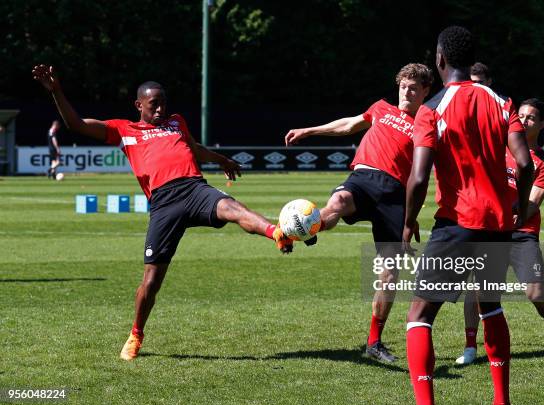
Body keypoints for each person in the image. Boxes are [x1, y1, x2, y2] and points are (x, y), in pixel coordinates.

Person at [32, 64, 293, 361]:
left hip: (195, 189)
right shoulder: (123, 130)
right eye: (153, 104)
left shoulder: (176, 122)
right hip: (164, 204)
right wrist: (57, 92)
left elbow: (194, 149)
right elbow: (76, 124)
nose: (160, 109)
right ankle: (136, 334)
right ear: (138, 105)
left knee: (232, 207)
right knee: (152, 281)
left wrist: (221, 160)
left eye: (163, 103)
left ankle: (277, 233)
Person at [402, 26, 534, 405]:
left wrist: (410, 222)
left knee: (419, 315)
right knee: (490, 304)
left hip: (457, 223)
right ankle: (501, 402)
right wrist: (521, 205)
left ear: (440, 59)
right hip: (496, 226)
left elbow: (418, 177)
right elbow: (524, 163)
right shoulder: (502, 101)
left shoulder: (432, 108)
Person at [285, 63, 434, 362]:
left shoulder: (427, 124)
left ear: (425, 92)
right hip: (364, 178)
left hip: (395, 196)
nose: (407, 91)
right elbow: (349, 125)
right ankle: (301, 231)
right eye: (404, 85)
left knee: (389, 274)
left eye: (414, 87)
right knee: (338, 202)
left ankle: (374, 342)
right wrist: (309, 130)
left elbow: (423, 172)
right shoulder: (381, 108)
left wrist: (411, 216)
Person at [456, 98, 544, 365]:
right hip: (492, 230)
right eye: (520, 116)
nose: (523, 121)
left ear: (542, 124)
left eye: (531, 118)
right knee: (480, 290)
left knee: (535, 293)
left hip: (522, 233)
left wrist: (508, 218)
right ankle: (470, 347)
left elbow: (532, 204)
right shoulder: (499, 148)